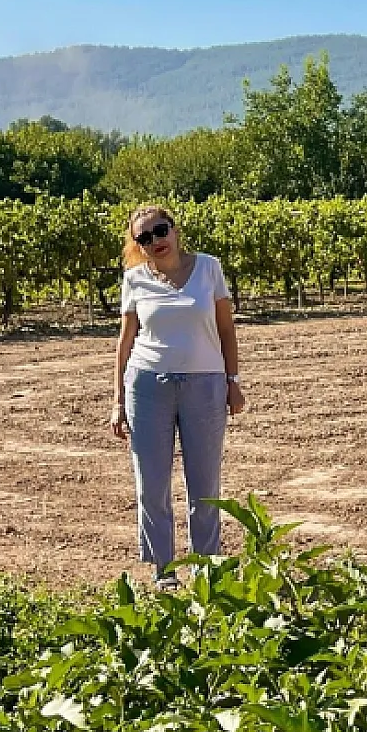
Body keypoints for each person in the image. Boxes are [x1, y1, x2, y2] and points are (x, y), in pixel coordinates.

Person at [110, 206, 245, 587]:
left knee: (205, 486)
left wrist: (233, 380)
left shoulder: (208, 268)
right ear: (138, 245)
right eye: (144, 238)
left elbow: (226, 330)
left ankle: (207, 569)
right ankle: (163, 571)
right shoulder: (135, 279)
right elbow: (125, 343)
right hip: (147, 386)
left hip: (206, 385)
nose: (155, 241)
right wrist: (118, 400)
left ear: (174, 228)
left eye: (160, 230)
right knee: (151, 485)